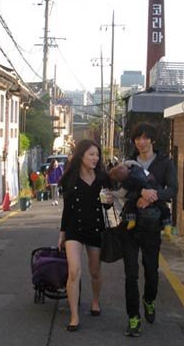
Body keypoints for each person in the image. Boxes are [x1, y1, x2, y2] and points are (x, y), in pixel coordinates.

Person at [110, 122, 178, 338]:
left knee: (151, 272)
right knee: (131, 275)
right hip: (130, 224)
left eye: (145, 137)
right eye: (138, 138)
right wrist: (139, 194)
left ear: (153, 140)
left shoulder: (165, 163)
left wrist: (152, 196)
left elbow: (173, 189)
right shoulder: (129, 163)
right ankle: (133, 318)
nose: (141, 142)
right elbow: (122, 189)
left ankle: (149, 300)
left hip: (152, 225)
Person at [57, 139, 114, 332]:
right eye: (91, 154)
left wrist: (109, 201)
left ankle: (95, 301)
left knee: (95, 271)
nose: (95, 158)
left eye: (97, 155)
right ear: (81, 156)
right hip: (74, 229)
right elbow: (67, 209)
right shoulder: (70, 178)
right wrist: (62, 233)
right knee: (74, 271)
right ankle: (74, 316)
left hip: (95, 228)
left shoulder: (102, 178)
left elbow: (107, 206)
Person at [109, 160, 172, 237]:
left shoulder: (127, 183)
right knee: (164, 207)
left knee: (130, 204)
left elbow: (121, 194)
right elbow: (132, 162)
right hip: (154, 189)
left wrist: (111, 193)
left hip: (142, 197)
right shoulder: (136, 168)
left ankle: (132, 220)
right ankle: (167, 226)